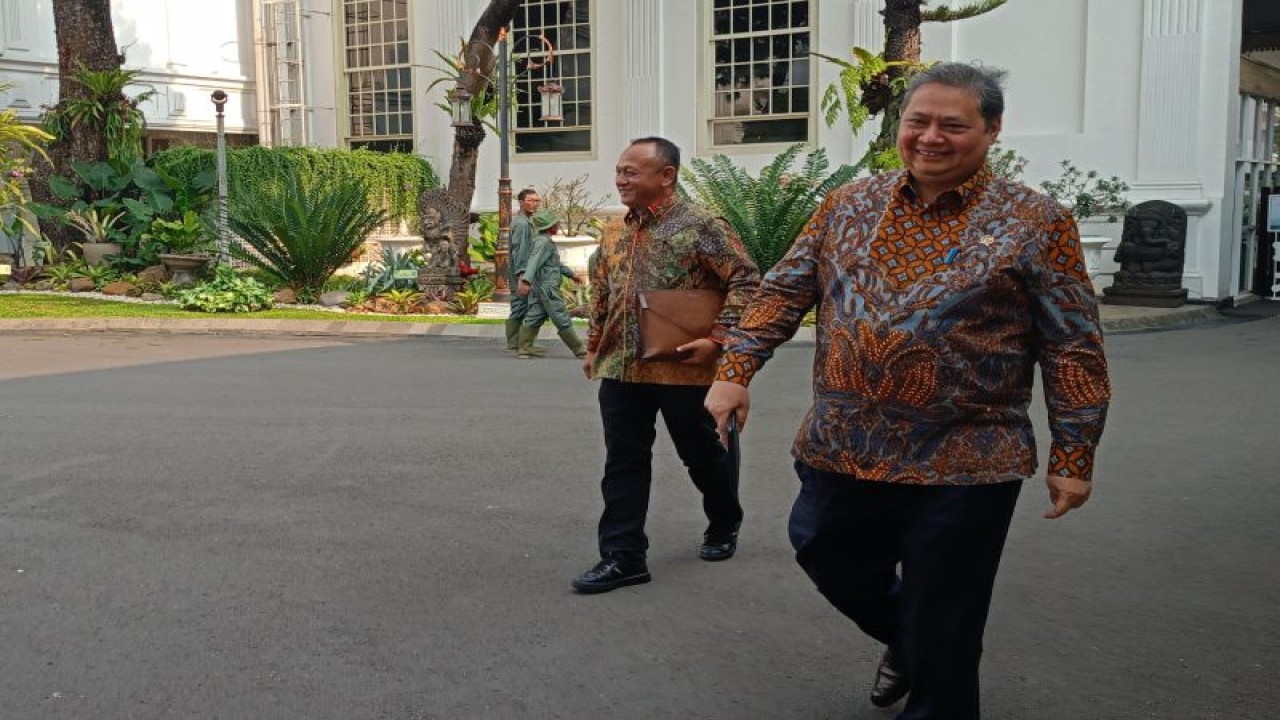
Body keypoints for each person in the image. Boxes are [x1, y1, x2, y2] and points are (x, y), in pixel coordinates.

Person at [704, 63, 1111, 719]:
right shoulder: (848, 204)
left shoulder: (1036, 221)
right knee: (824, 550)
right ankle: (910, 638)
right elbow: (783, 291)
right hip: (844, 445)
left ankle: (933, 664)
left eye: (953, 125)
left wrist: (1074, 454)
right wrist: (734, 371)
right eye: (918, 121)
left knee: (947, 613)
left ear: (992, 130)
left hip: (968, 456)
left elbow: (1073, 345)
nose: (930, 137)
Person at [572, 136, 761, 594]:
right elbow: (603, 292)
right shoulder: (613, 231)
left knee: (700, 454)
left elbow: (747, 280)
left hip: (682, 367)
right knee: (623, 462)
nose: (620, 179)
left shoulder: (700, 226)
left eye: (631, 172)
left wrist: (717, 340)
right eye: (619, 171)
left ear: (667, 175)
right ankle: (623, 557)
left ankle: (725, 519)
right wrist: (594, 346)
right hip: (622, 368)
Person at [515, 209, 586, 359]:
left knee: (535, 316)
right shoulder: (543, 242)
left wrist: (572, 274)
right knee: (561, 318)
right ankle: (580, 350)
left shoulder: (543, 241)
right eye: (556, 223)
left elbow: (555, 264)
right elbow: (534, 262)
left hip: (541, 287)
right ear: (549, 226)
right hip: (548, 288)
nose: (558, 225)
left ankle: (525, 349)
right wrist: (526, 280)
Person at [504, 188, 542, 353]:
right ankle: (514, 342)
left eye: (537, 200)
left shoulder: (529, 221)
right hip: (521, 271)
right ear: (521, 202)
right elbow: (519, 250)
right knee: (519, 306)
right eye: (531, 200)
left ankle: (522, 342)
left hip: (527, 271)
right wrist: (522, 275)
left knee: (525, 306)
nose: (535, 204)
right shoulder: (521, 223)